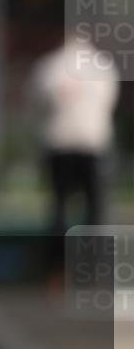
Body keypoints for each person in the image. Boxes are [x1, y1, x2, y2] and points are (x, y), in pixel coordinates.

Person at [29, 30, 120, 234]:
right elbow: (109, 102)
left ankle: (58, 257)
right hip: (92, 143)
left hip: (59, 144)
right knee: (95, 207)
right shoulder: (102, 66)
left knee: (60, 205)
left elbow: (38, 103)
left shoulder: (50, 66)